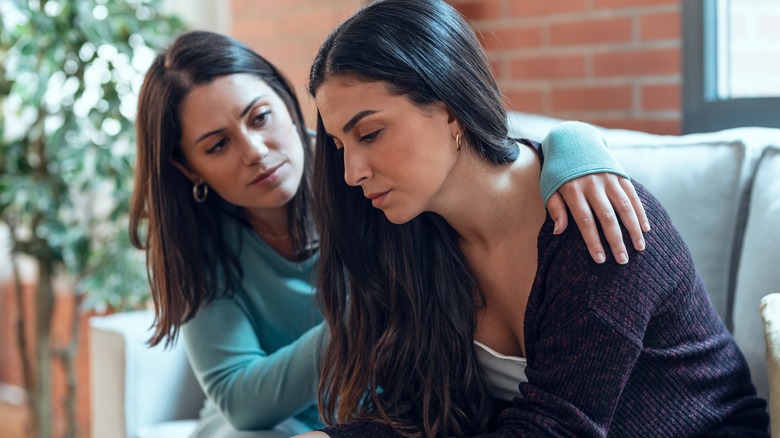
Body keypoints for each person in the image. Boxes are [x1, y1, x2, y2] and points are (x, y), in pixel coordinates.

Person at [128, 30, 650, 437]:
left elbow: (485, 147)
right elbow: (242, 403)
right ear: (188, 168)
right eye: (217, 145)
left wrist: (578, 147)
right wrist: (373, 306)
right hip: (295, 420)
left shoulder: (373, 174)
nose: (256, 151)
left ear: (287, 103)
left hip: (392, 406)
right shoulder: (202, 244)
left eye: (261, 117)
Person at [300, 0, 770, 437]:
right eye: (341, 146)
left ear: (448, 110)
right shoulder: (414, 237)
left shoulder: (595, 223)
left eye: (371, 133)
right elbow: (423, 416)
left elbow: (556, 428)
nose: (352, 172)